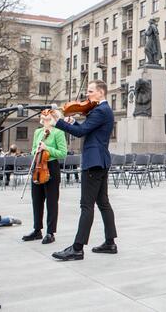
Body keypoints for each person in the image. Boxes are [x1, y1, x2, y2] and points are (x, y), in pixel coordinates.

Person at [52, 80, 118, 261]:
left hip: (94, 162)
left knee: (86, 205)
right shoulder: (101, 110)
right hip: (100, 161)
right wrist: (72, 121)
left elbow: (80, 133)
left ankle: (77, 248)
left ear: (101, 93)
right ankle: (110, 242)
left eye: (90, 91)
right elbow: (85, 129)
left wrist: (58, 121)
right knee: (103, 203)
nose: (86, 95)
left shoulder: (100, 110)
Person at [22, 110, 68, 244]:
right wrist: (36, 150)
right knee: (36, 200)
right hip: (37, 166)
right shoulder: (38, 132)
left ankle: (50, 232)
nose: (45, 121)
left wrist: (47, 148)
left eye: (48, 119)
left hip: (51, 168)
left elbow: (62, 153)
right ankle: (37, 230)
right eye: (43, 119)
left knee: (52, 201)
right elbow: (32, 150)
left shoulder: (58, 132)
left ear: (54, 119)